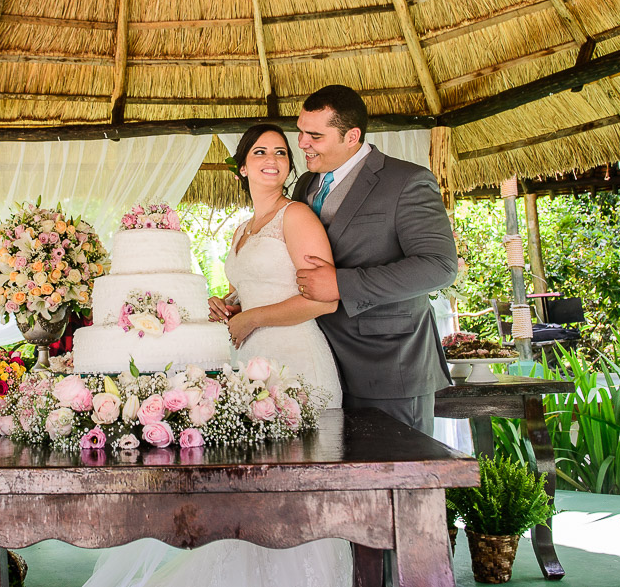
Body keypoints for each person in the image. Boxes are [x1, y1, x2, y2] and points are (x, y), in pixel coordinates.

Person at [81, 124, 352, 587]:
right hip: (252, 364)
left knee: (295, 491)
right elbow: (262, 288)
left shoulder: (297, 216)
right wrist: (230, 307)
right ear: (242, 165)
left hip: (298, 361)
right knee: (256, 491)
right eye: (261, 152)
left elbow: (323, 300)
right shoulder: (244, 229)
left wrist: (251, 319)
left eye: (282, 152)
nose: (273, 159)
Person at [291, 85, 458, 436]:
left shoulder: (407, 181)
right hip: (320, 363)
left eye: (315, 135)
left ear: (351, 136)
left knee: (401, 480)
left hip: (390, 365)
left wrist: (342, 283)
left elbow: (439, 266)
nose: (302, 143)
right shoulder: (305, 184)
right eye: (301, 131)